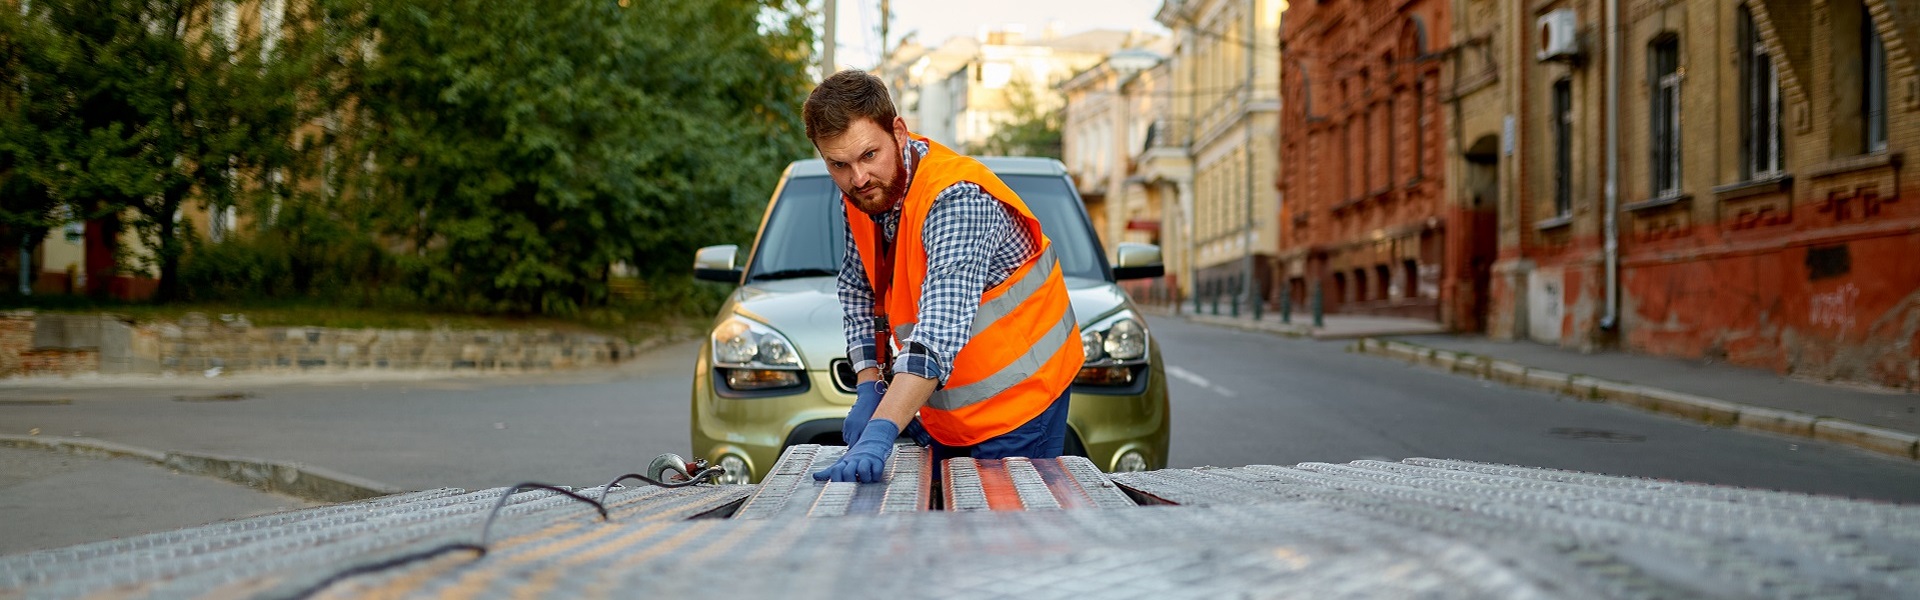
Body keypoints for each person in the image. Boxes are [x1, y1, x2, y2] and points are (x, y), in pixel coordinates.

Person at [805, 69, 1084, 483]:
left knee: (1004, 539)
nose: (857, 178)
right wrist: (869, 385)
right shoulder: (862, 192)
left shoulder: (956, 198)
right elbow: (860, 289)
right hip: (945, 408)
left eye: (869, 155)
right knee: (944, 535)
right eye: (839, 164)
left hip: (1021, 403)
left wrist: (881, 430)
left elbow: (937, 330)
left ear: (898, 132)